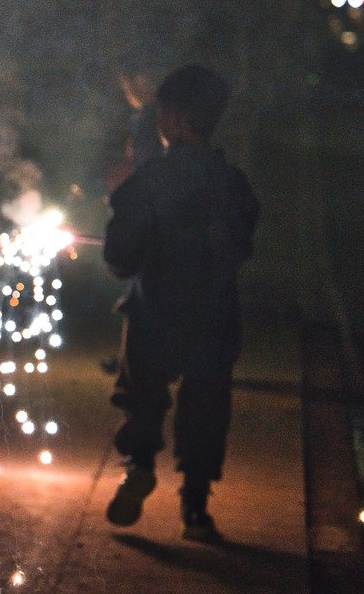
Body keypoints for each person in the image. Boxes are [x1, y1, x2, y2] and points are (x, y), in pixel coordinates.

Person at [101, 64, 259, 542]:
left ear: (172, 119)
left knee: (141, 388)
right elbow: (240, 248)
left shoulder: (148, 183)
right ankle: (195, 506)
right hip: (214, 315)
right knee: (207, 403)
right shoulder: (234, 184)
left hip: (157, 310)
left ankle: (139, 464)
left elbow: (120, 259)